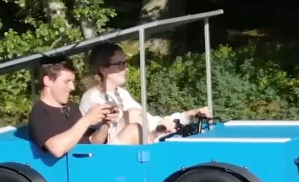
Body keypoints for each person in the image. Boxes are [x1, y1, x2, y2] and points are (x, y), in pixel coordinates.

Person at [79, 43, 209, 144]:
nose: (125, 68)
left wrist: (188, 115)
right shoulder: (92, 97)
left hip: (139, 148)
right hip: (114, 158)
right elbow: (101, 140)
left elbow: (152, 122)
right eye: (120, 64)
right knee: (134, 115)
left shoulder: (122, 94)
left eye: (125, 63)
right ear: (103, 69)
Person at [28, 56, 117, 157]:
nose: (72, 87)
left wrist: (106, 123)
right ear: (48, 81)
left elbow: (92, 141)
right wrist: (88, 119)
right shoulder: (39, 113)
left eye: (72, 82)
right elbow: (57, 149)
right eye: (66, 81)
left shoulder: (72, 107)